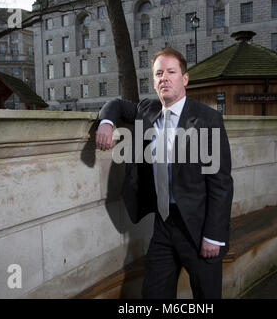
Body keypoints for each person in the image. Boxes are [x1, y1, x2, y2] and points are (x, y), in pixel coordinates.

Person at [95, 48, 233, 299]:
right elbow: (114, 105)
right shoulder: (146, 110)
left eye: (171, 72)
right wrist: (106, 123)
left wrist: (214, 235)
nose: (164, 78)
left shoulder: (208, 119)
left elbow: (221, 183)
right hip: (163, 225)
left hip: (198, 227)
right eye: (159, 73)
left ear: (185, 79)